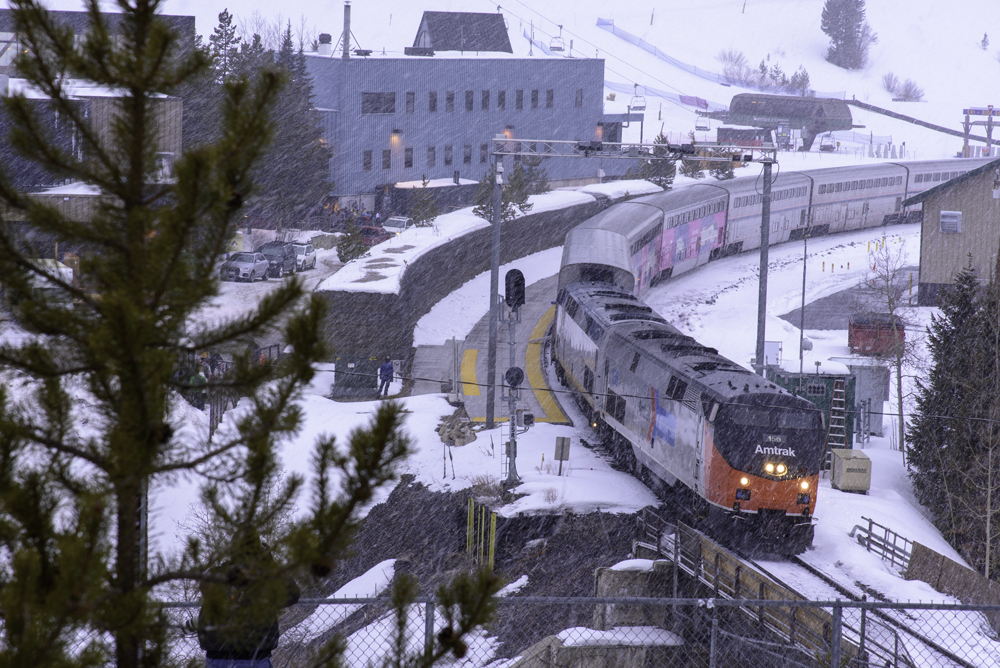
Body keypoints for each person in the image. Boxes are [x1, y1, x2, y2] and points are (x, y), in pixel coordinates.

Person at [198, 527, 300, 668]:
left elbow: (205, 585)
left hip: (217, 656)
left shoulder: (218, 575)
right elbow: (292, 593)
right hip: (253, 656)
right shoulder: (266, 577)